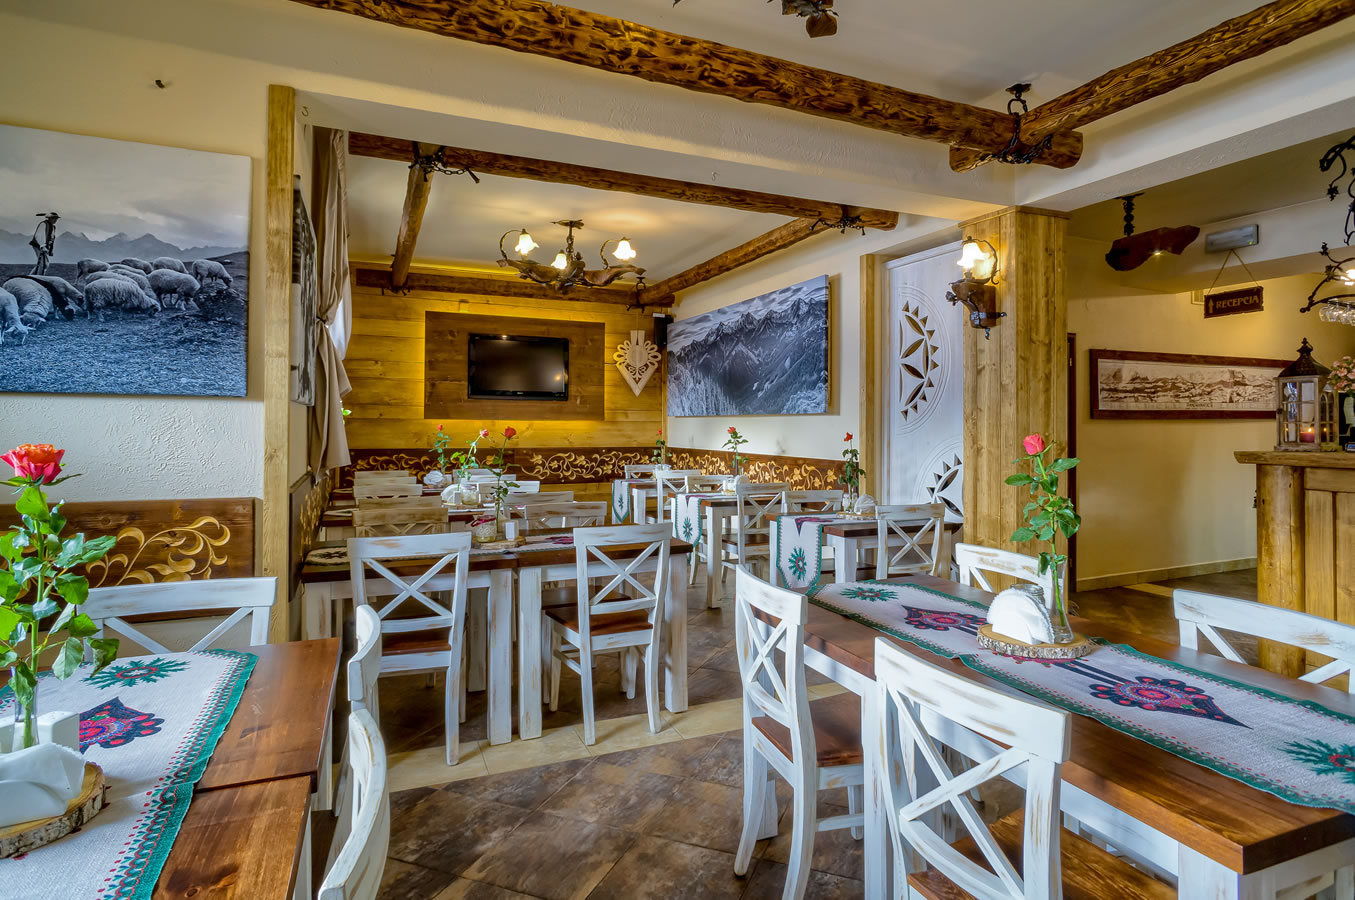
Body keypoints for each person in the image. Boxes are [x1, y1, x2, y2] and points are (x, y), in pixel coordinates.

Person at [29, 211, 60, 275]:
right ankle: (39, 277)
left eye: (56, 218)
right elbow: (39, 236)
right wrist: (42, 246)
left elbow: (51, 239)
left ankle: (31, 277)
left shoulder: (52, 227)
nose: (55, 220)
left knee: (45, 264)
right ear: (49, 218)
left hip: (44, 247)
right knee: (43, 264)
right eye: (54, 218)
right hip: (38, 245)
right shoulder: (44, 224)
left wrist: (50, 250)